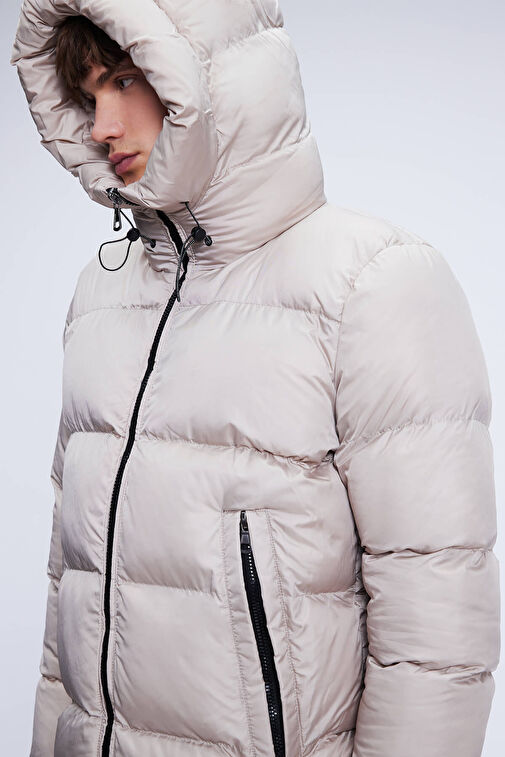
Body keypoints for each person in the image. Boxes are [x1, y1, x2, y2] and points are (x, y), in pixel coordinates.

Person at [11, 4, 500, 757]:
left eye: (127, 80)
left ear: (218, 81)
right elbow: (68, 584)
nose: (102, 126)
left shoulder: (372, 284)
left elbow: (436, 622)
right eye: (87, 95)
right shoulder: (102, 295)